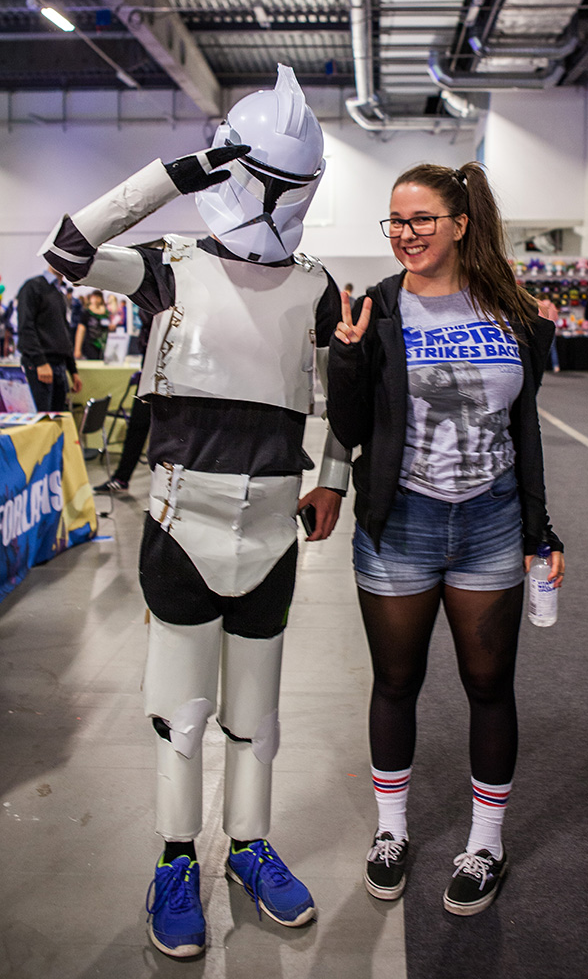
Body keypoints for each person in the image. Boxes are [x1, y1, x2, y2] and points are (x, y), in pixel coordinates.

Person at [41, 65, 350, 958]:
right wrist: (183, 171)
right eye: (270, 179)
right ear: (235, 167)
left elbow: (339, 400)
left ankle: (248, 849)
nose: (280, 202)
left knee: (259, 718)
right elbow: (66, 250)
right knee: (181, 718)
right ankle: (176, 862)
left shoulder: (319, 288)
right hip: (182, 526)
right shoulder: (167, 270)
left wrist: (330, 478)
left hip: (273, 531)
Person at [327, 162, 564, 916]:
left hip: (490, 522)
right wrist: (349, 357)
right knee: (396, 684)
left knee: (489, 686)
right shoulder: (379, 308)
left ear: (460, 224)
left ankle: (485, 842)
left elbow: (524, 432)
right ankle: (391, 832)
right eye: (395, 221)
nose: (405, 234)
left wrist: (538, 531)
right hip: (401, 525)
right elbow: (350, 428)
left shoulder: (513, 314)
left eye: (421, 219)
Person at [17, 264, 82, 410]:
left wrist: (73, 371)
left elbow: (63, 332)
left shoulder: (59, 293)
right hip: (40, 366)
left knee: (58, 421)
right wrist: (40, 362)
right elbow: (26, 327)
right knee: (43, 421)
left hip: (59, 366)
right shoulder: (32, 287)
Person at [93, 372, 150, 493]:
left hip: (172, 384)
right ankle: (121, 479)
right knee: (136, 429)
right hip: (148, 380)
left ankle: (164, 494)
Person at [74, 289, 115, 360]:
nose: (96, 299)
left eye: (98, 297)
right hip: (90, 345)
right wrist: (77, 349)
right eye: (94, 297)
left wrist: (111, 327)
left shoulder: (106, 313)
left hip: (105, 346)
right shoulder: (86, 313)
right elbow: (80, 330)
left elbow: (109, 327)